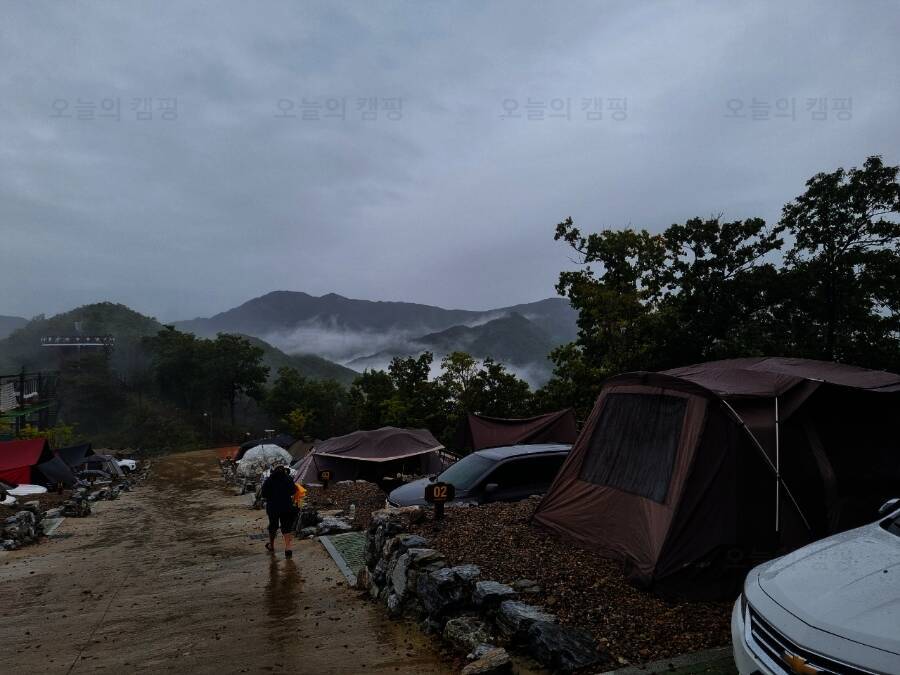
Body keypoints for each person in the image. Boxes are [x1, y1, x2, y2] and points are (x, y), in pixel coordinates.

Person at [260, 464, 298, 558]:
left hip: (273, 508)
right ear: (284, 470)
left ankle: (272, 545)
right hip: (286, 507)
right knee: (286, 526)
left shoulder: (269, 480)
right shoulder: (288, 479)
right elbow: (293, 491)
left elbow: (264, 494)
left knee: (273, 526)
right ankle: (288, 547)